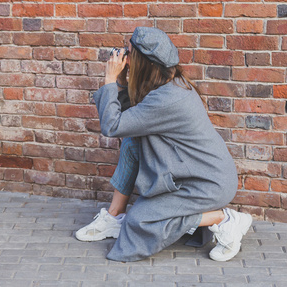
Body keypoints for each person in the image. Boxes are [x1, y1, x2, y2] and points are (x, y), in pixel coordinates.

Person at [75, 27, 252, 262]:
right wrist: (120, 80)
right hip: (197, 174)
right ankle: (113, 216)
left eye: (130, 55)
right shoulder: (168, 84)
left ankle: (224, 219)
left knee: (139, 220)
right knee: (133, 142)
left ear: (143, 63)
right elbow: (131, 121)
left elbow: (113, 126)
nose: (125, 59)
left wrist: (109, 81)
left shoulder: (167, 99)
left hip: (208, 184)